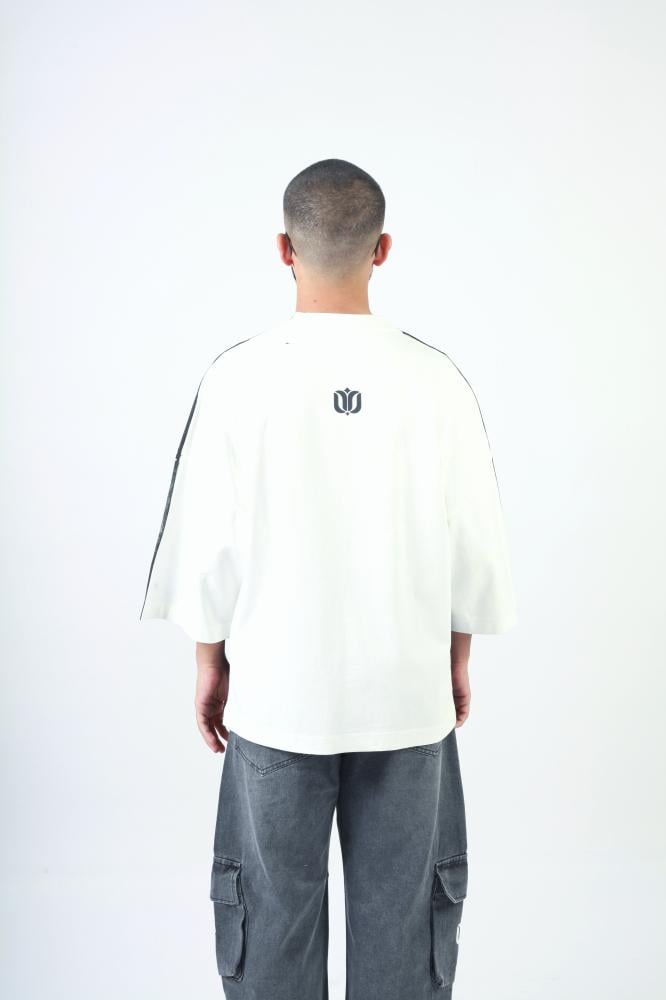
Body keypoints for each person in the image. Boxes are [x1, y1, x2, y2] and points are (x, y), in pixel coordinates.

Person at [139, 158, 517, 999]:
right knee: (404, 937)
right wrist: (456, 657)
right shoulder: (437, 380)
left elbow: (206, 547)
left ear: (284, 248)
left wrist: (209, 662)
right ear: (382, 249)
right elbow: (474, 542)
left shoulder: (237, 377)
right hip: (407, 698)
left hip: (277, 698)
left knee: (270, 930)